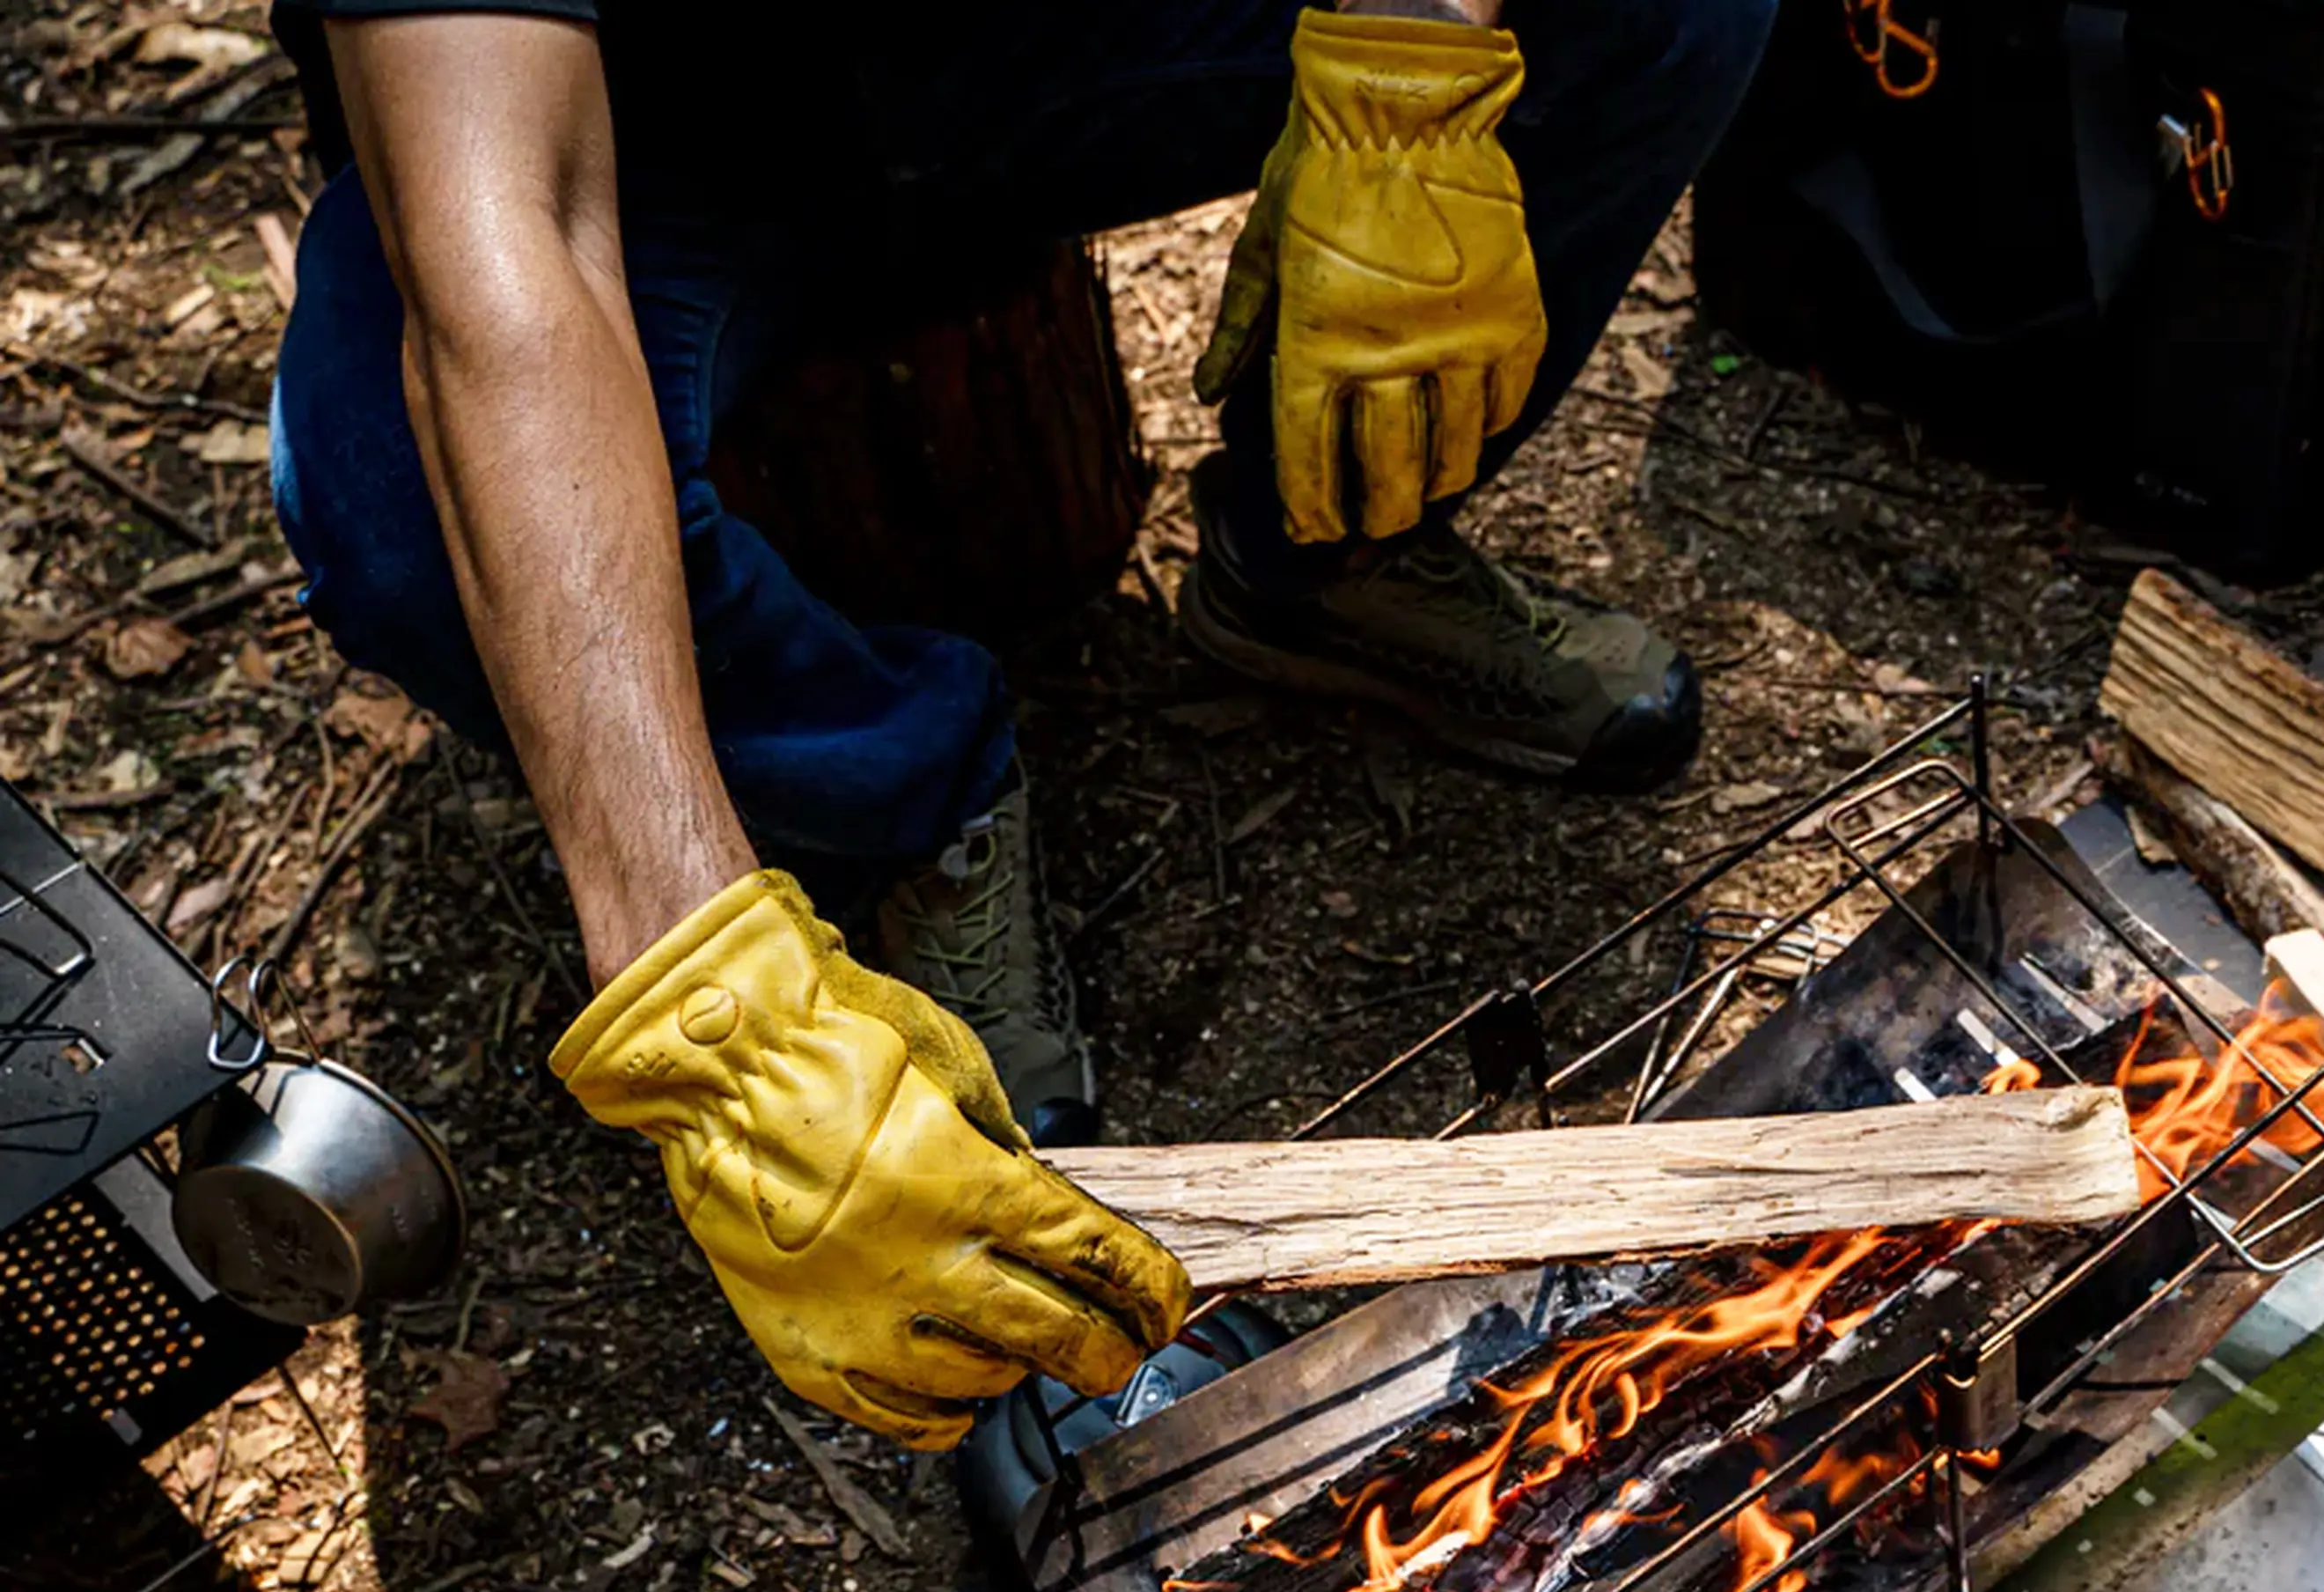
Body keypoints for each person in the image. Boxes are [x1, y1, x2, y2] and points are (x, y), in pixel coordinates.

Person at [265, 0, 1776, 1449]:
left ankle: (1325, 554)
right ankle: (897, 799)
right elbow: (507, 250)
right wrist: (713, 1015)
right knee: (399, 506)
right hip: (658, 134)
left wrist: (1408, 77)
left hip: (1039, 40)